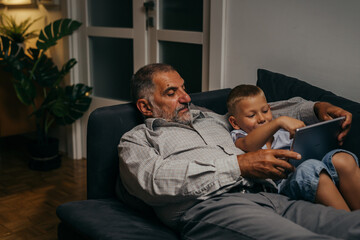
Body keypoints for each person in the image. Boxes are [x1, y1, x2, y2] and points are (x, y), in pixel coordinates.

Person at [118, 63, 360, 239]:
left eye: (184, 89)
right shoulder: (136, 140)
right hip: (215, 207)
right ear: (145, 106)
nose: (186, 98)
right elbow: (155, 182)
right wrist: (241, 165)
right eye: (172, 93)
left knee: (353, 225)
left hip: (272, 196)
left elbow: (260, 112)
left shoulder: (210, 118)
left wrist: (318, 108)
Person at [227, 84, 360, 211]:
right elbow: (248, 145)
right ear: (235, 122)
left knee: (341, 159)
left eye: (265, 111)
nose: (262, 118)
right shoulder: (241, 135)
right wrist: (279, 121)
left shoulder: (282, 133)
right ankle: (352, 227)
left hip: (308, 168)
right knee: (310, 168)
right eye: (251, 115)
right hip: (282, 184)